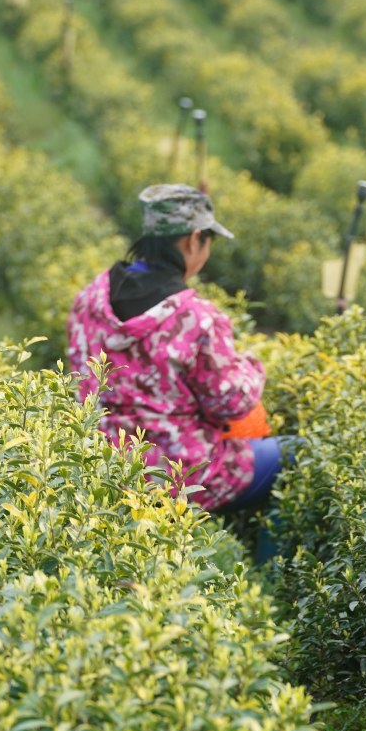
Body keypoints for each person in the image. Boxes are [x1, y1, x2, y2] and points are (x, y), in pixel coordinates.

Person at [67, 183, 285, 513]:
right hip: (180, 477)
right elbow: (231, 403)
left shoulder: (90, 298)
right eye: (207, 241)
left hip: (103, 468)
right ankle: (268, 565)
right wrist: (252, 366)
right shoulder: (197, 318)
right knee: (295, 453)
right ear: (193, 239)